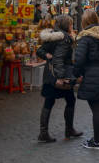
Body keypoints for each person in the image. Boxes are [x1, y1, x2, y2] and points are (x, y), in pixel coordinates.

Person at [35, 15, 82, 143]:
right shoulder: (64, 38)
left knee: (50, 102)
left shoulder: (52, 35)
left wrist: (48, 56)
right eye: (71, 24)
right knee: (70, 100)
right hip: (59, 75)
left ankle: (45, 133)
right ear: (66, 25)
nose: (72, 27)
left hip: (50, 74)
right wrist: (61, 77)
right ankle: (67, 130)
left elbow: (40, 51)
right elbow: (59, 59)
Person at [74, 10, 99, 150]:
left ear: (84, 22)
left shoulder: (85, 38)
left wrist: (76, 74)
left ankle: (97, 141)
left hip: (92, 75)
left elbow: (79, 60)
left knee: (97, 109)